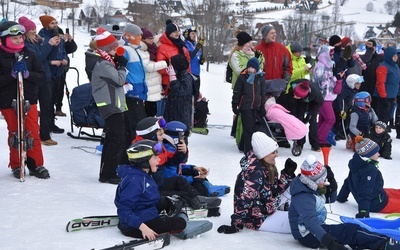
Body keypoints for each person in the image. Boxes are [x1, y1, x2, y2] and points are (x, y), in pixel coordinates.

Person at [289, 154, 400, 250]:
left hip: (315, 230)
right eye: (322, 180)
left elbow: (331, 200)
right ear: (313, 180)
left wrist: (332, 184)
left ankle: (375, 244)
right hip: (308, 235)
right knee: (351, 230)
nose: (324, 182)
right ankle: (385, 244)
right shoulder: (303, 196)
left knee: (352, 236)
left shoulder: (310, 187)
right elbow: (311, 224)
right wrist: (330, 243)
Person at [217, 132, 297, 234]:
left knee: (297, 193)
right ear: (263, 154)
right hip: (258, 220)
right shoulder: (254, 174)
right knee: (299, 224)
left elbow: (274, 190)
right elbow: (243, 200)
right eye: (273, 152)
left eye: (276, 151)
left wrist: (287, 173)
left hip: (269, 208)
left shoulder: (267, 168)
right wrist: (236, 223)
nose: (277, 155)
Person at [0, 21, 50, 179]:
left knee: (32, 132)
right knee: (15, 133)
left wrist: (28, 74)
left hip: (29, 100)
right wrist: (11, 76)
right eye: (14, 39)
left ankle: (36, 164)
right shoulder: (1, 56)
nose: (19, 41)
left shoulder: (29, 53)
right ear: (4, 39)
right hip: (8, 101)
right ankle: (16, 164)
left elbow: (42, 76)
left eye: (21, 37)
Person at [114, 139, 186, 239]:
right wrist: (143, 228)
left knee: (167, 200)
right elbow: (123, 209)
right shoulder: (134, 181)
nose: (159, 160)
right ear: (144, 161)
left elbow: (147, 198)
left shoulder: (145, 174)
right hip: (135, 227)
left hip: (145, 212)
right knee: (180, 223)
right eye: (155, 157)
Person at [86, 28, 128, 184]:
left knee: (113, 139)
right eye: (115, 47)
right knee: (115, 140)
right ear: (108, 49)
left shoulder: (106, 61)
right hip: (110, 105)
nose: (118, 50)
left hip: (113, 103)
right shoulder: (103, 63)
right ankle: (108, 174)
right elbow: (118, 80)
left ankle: (107, 171)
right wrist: (123, 67)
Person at [18, 16, 59, 146]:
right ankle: (34, 134)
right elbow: (38, 57)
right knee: (33, 110)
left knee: (47, 107)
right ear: (25, 32)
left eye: (35, 28)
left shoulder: (37, 41)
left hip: (45, 77)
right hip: (34, 80)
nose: (35, 31)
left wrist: (56, 45)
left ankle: (45, 134)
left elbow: (48, 56)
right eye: (31, 29)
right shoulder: (26, 45)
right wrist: (48, 45)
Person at [337, 136, 400, 217]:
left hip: (378, 195)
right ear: (368, 154)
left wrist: (341, 198)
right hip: (377, 204)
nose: (379, 154)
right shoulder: (369, 169)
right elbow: (365, 190)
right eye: (376, 152)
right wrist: (363, 211)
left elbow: (348, 182)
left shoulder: (356, 163)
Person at [228, 31, 264, 149]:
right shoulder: (236, 55)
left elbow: (260, 68)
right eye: (247, 42)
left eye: (250, 42)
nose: (250, 45)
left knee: (249, 117)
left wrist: (258, 58)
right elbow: (239, 70)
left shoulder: (252, 54)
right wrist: (251, 63)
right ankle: (240, 140)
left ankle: (245, 141)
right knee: (241, 116)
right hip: (241, 86)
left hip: (253, 88)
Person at [119, 23, 148, 147]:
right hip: (132, 93)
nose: (140, 38)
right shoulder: (125, 50)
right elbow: (120, 68)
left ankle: (130, 147)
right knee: (137, 123)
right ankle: (133, 148)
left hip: (138, 92)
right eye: (137, 36)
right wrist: (126, 84)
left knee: (135, 123)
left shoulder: (135, 50)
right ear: (129, 36)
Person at [313, 45, 343, 165]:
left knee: (323, 118)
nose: (331, 56)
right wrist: (334, 78)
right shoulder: (320, 66)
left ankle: (318, 138)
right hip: (323, 96)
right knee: (331, 119)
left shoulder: (329, 65)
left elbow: (330, 80)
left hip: (329, 96)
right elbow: (321, 82)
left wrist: (335, 77)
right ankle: (320, 139)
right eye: (330, 54)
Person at [38, 15, 67, 134]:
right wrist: (51, 62)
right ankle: (47, 125)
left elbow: (63, 51)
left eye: (56, 23)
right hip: (47, 73)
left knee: (54, 99)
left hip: (58, 72)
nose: (55, 25)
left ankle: (52, 123)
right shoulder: (42, 38)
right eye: (52, 23)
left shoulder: (57, 37)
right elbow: (40, 57)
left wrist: (65, 60)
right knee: (47, 101)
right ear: (46, 25)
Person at [156, 20, 191, 116]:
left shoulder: (183, 47)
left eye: (178, 31)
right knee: (167, 110)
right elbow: (160, 67)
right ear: (169, 33)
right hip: (168, 83)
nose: (177, 34)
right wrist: (172, 69)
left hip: (182, 81)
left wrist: (189, 77)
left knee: (179, 109)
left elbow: (188, 65)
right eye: (175, 32)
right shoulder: (162, 47)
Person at [232, 58, 266, 154]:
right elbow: (237, 92)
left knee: (251, 127)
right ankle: (248, 151)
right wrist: (235, 105)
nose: (250, 70)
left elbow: (262, 93)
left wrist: (262, 106)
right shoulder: (243, 78)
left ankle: (242, 145)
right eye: (249, 67)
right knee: (249, 128)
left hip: (256, 106)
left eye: (253, 68)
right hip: (245, 106)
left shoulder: (260, 78)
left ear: (256, 69)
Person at [254, 25, 292, 97]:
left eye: (275, 33)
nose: (274, 35)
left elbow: (288, 66)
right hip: (262, 87)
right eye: (271, 33)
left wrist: (286, 81)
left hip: (278, 88)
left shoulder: (282, 49)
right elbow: (253, 68)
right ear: (265, 35)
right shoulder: (257, 50)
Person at [164, 54, 198, 129]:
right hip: (172, 111)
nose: (169, 66)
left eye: (171, 64)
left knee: (180, 134)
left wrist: (173, 78)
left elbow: (179, 91)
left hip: (181, 113)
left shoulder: (186, 78)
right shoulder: (178, 76)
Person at [140, 27, 167, 117]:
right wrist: (164, 63)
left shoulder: (153, 48)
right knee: (149, 111)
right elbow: (148, 67)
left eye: (152, 38)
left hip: (154, 85)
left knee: (153, 111)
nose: (151, 40)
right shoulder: (142, 50)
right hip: (149, 84)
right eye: (149, 38)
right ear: (143, 39)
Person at [292, 80, 324, 151]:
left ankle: (315, 144)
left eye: (296, 95)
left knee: (313, 121)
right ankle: (300, 143)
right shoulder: (293, 86)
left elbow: (319, 103)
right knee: (299, 120)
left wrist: (310, 115)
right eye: (295, 94)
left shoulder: (316, 93)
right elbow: (292, 103)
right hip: (300, 102)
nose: (294, 96)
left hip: (313, 102)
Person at [374, 46, 400, 129]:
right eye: (394, 56)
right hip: (383, 97)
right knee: (382, 118)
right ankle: (378, 135)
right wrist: (383, 96)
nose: (396, 58)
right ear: (389, 56)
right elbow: (380, 83)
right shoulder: (383, 66)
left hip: (392, 96)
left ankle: (383, 134)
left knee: (388, 117)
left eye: (397, 56)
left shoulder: (395, 66)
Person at [331, 74, 363, 141]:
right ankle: (333, 134)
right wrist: (340, 110)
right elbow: (339, 99)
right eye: (357, 83)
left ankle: (341, 132)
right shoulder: (345, 90)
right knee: (338, 121)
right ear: (352, 83)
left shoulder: (353, 90)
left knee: (346, 121)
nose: (359, 85)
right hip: (339, 108)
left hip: (346, 107)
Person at [360, 39, 383, 110]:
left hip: (375, 86)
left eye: (370, 44)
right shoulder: (362, 58)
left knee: (375, 107)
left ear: (375, 47)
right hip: (365, 85)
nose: (369, 46)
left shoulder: (380, 58)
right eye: (367, 44)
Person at [183, 26, 204, 92]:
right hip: (190, 74)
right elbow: (190, 56)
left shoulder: (194, 44)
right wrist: (198, 47)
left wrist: (201, 60)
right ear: (188, 35)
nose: (194, 35)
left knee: (196, 94)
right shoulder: (186, 45)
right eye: (192, 33)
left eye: (195, 33)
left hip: (197, 73)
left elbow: (198, 57)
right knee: (192, 95)